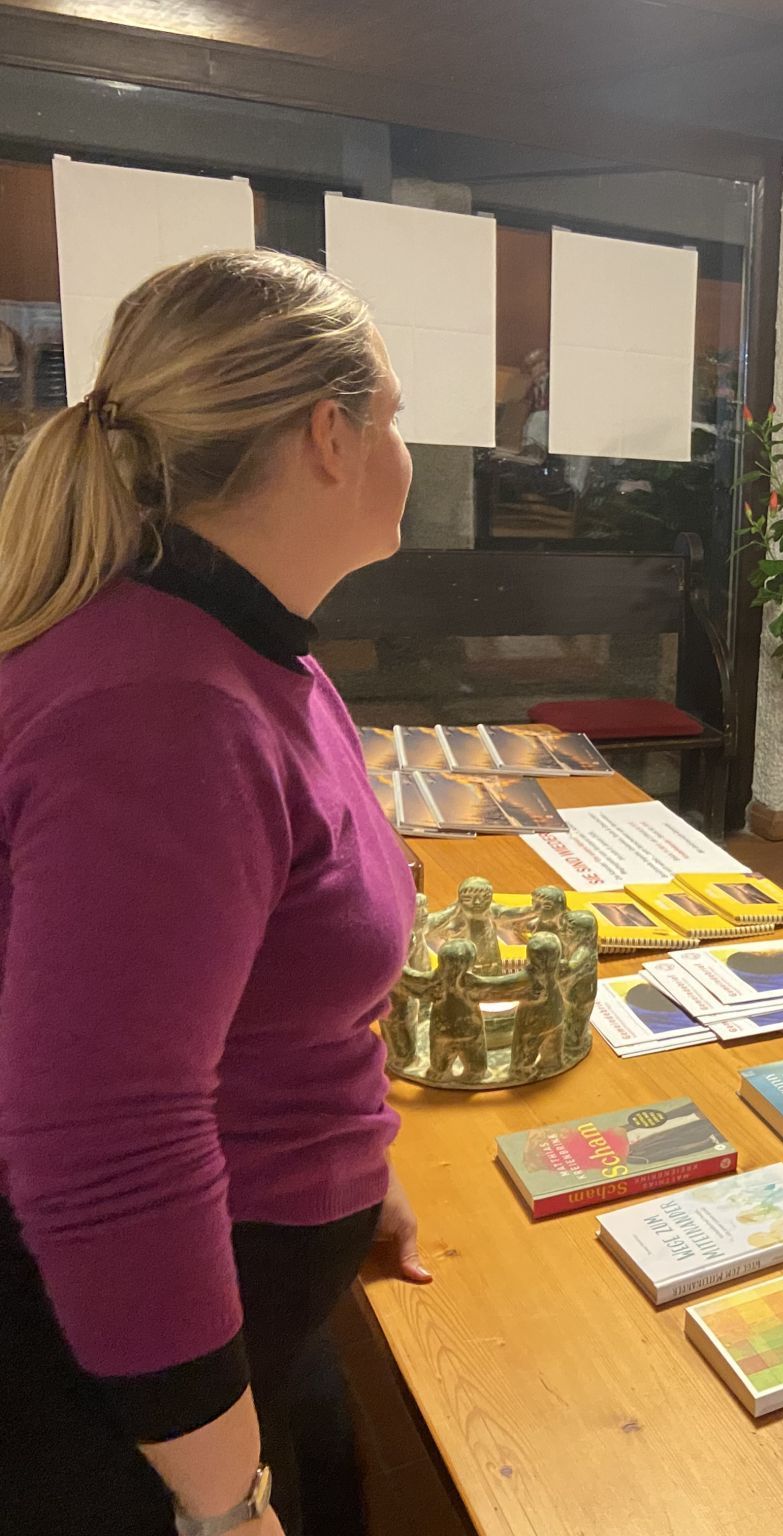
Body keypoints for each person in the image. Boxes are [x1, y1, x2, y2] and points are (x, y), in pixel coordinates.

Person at [0, 250, 434, 1536]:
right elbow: (108, 1141)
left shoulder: (243, 642)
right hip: (113, 1385)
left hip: (251, 1283)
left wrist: (355, 1165)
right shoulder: (161, 704)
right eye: (395, 417)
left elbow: (260, 995)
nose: (407, 450)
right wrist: (223, 1502)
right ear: (327, 437)